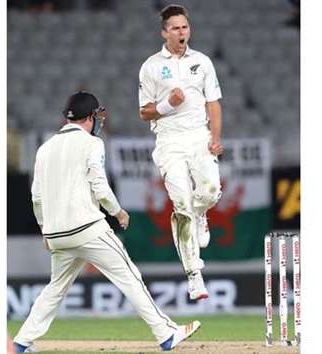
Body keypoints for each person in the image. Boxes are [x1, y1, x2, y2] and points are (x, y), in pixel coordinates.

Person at [12, 91, 201, 353]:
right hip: (87, 228)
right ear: (89, 117)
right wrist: (118, 212)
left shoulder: (45, 148)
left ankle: (22, 342)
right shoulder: (92, 144)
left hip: (57, 234)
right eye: (96, 116)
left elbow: (36, 197)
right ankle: (166, 333)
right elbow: (99, 185)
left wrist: (46, 230)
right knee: (130, 276)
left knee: (55, 288)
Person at [138, 4, 223, 301]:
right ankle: (194, 276)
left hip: (199, 136)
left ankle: (201, 214)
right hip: (169, 141)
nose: (181, 31)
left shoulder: (202, 62)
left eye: (184, 27)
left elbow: (213, 102)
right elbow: (144, 112)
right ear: (164, 32)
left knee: (210, 192)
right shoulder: (150, 66)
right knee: (180, 206)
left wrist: (215, 138)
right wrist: (167, 105)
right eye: (175, 27)